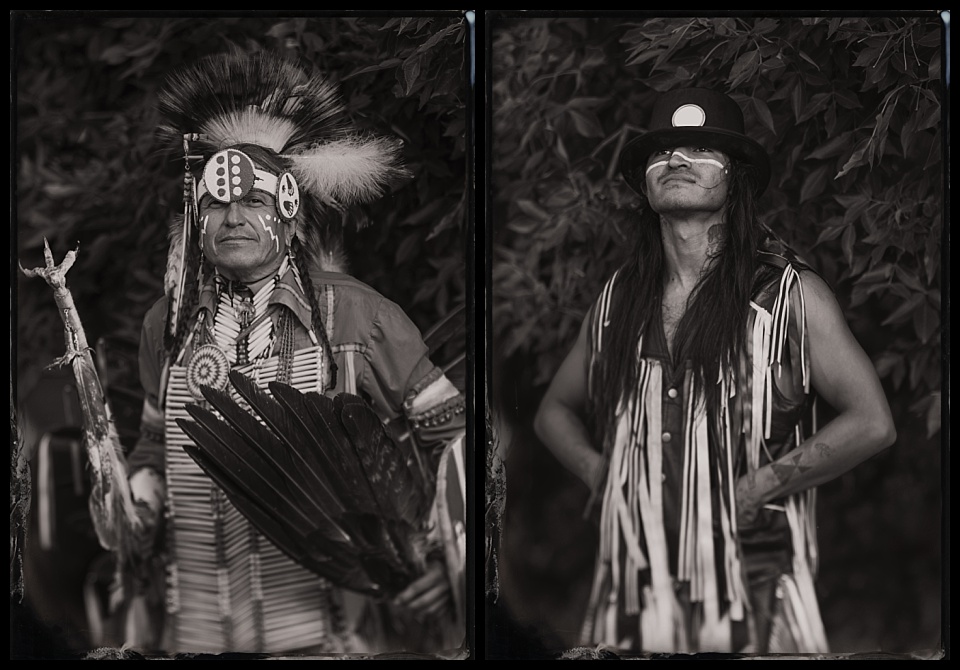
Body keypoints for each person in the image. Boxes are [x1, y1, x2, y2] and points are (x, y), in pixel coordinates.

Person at [121, 50, 466, 655]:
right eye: (217, 204)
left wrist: (443, 557)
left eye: (253, 202)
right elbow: (155, 439)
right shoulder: (167, 323)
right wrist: (137, 504)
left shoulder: (358, 317)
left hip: (330, 631)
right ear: (196, 217)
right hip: (198, 625)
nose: (233, 218)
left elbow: (456, 437)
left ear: (288, 211)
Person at [534, 87, 896, 654]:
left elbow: (872, 422)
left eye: (699, 150)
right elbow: (553, 411)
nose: (675, 161)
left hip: (755, 589)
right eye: (661, 154)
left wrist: (758, 487)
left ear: (737, 178)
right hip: (636, 592)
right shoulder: (617, 300)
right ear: (645, 181)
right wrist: (601, 475)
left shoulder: (788, 298)